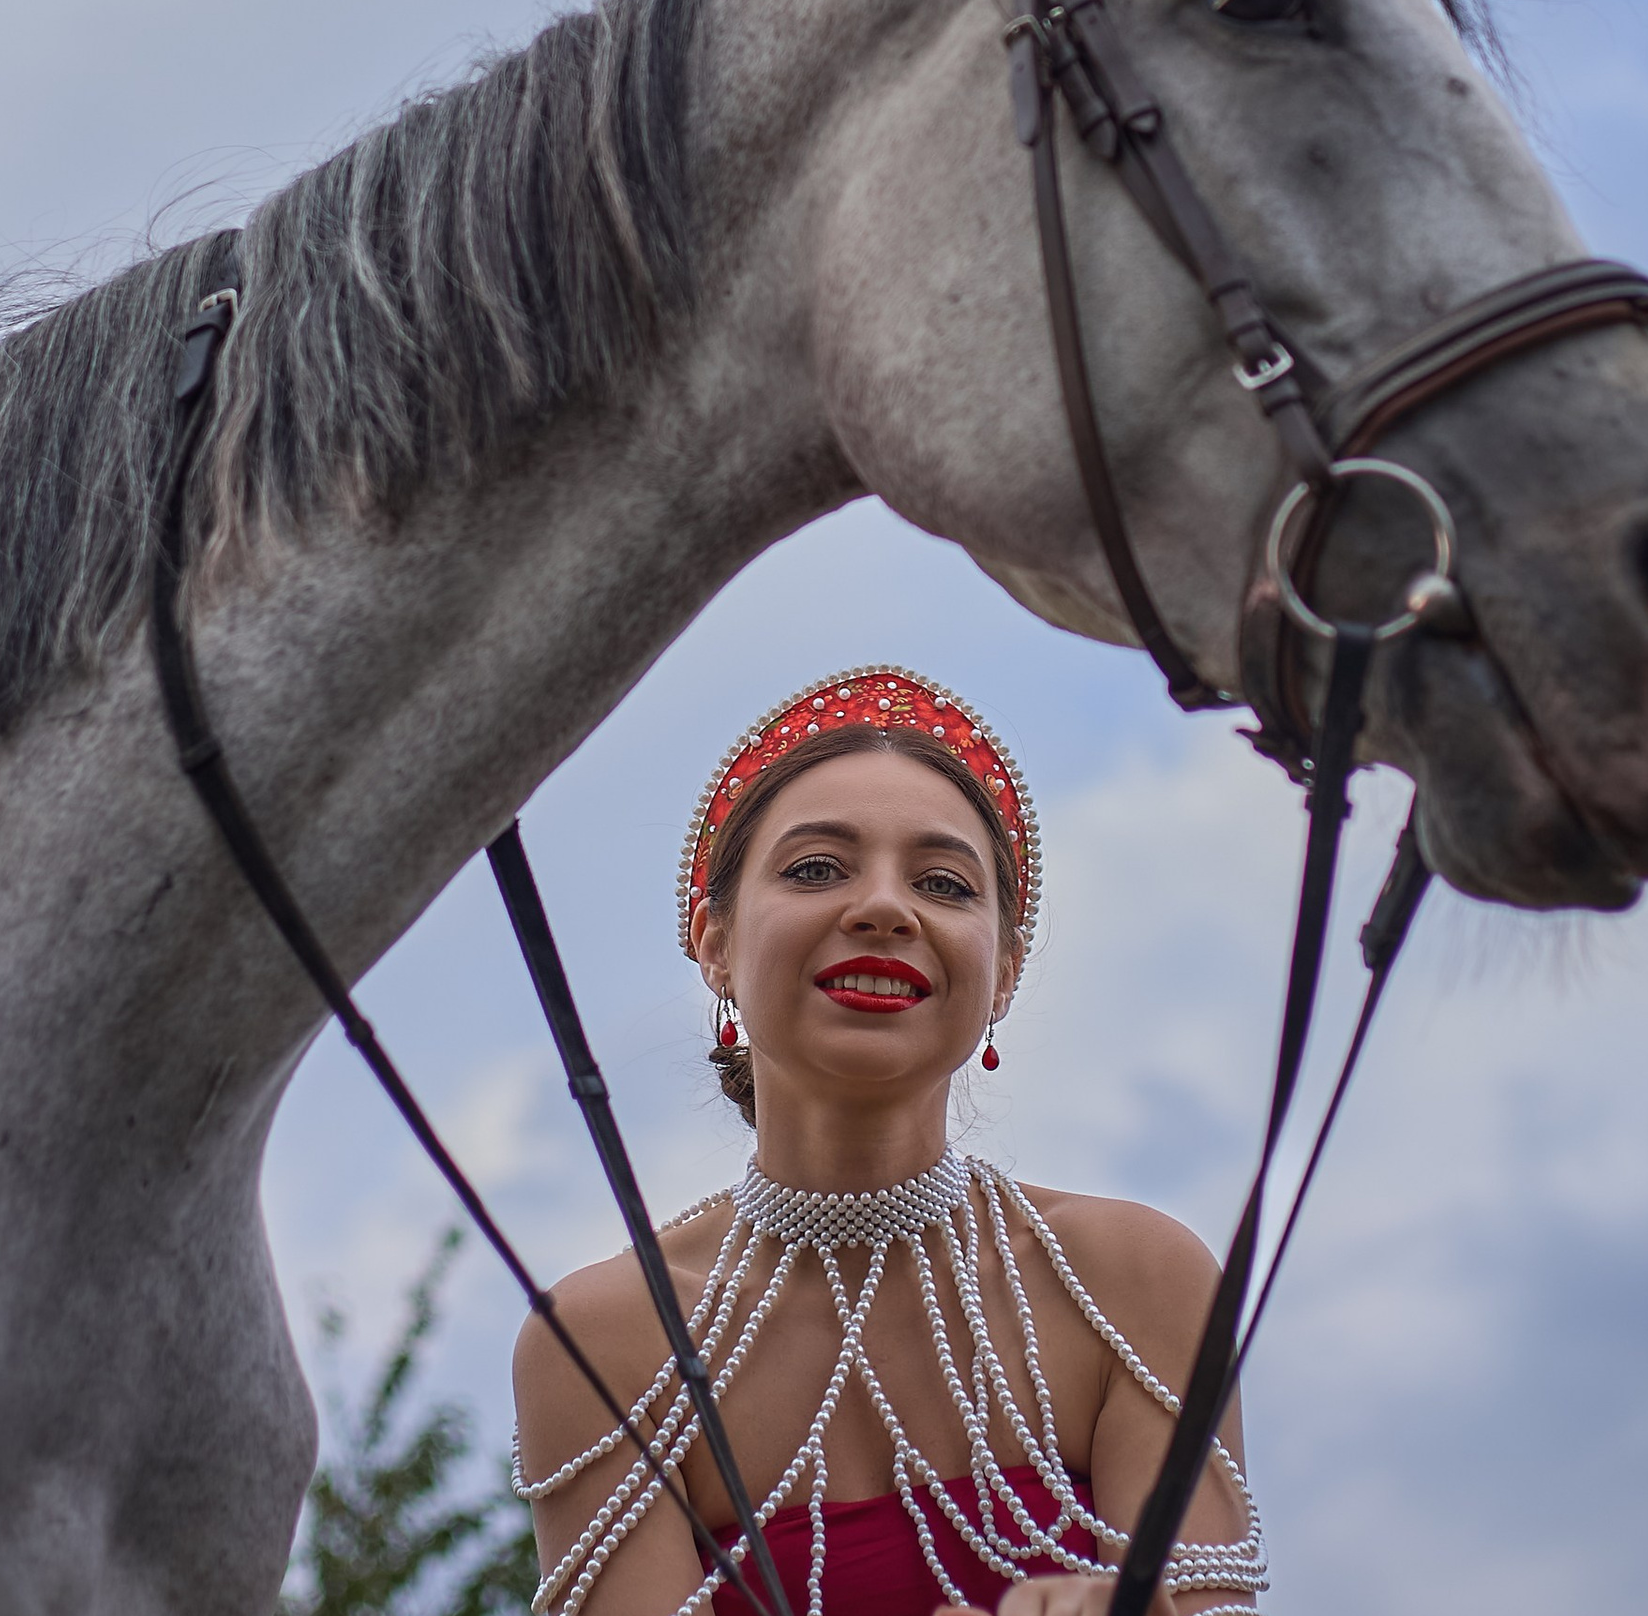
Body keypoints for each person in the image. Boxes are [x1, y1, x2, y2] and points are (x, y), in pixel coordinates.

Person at [513, 667, 1265, 1616]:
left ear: (1004, 973)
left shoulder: (1133, 1280)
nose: (884, 908)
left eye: (944, 884)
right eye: (816, 868)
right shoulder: (606, 1341)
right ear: (714, 941)